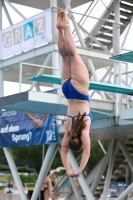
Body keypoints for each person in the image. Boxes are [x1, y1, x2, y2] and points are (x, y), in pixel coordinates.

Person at [56, 10, 92, 179]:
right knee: (64, 57)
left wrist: (78, 171)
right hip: (67, 92)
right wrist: (69, 170)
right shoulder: (68, 130)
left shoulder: (84, 131)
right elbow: (63, 154)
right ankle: (60, 30)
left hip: (80, 92)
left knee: (73, 54)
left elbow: (86, 154)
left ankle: (67, 27)